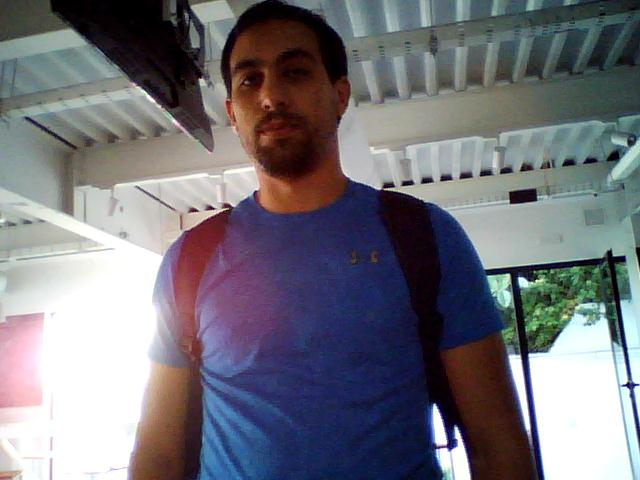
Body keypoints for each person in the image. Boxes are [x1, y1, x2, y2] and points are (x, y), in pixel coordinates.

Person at [129, 1, 535, 479]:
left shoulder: (425, 237)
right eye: (250, 80)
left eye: (295, 72)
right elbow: (157, 455)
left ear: (340, 94)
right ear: (233, 114)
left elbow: (497, 444)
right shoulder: (189, 261)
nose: (270, 96)